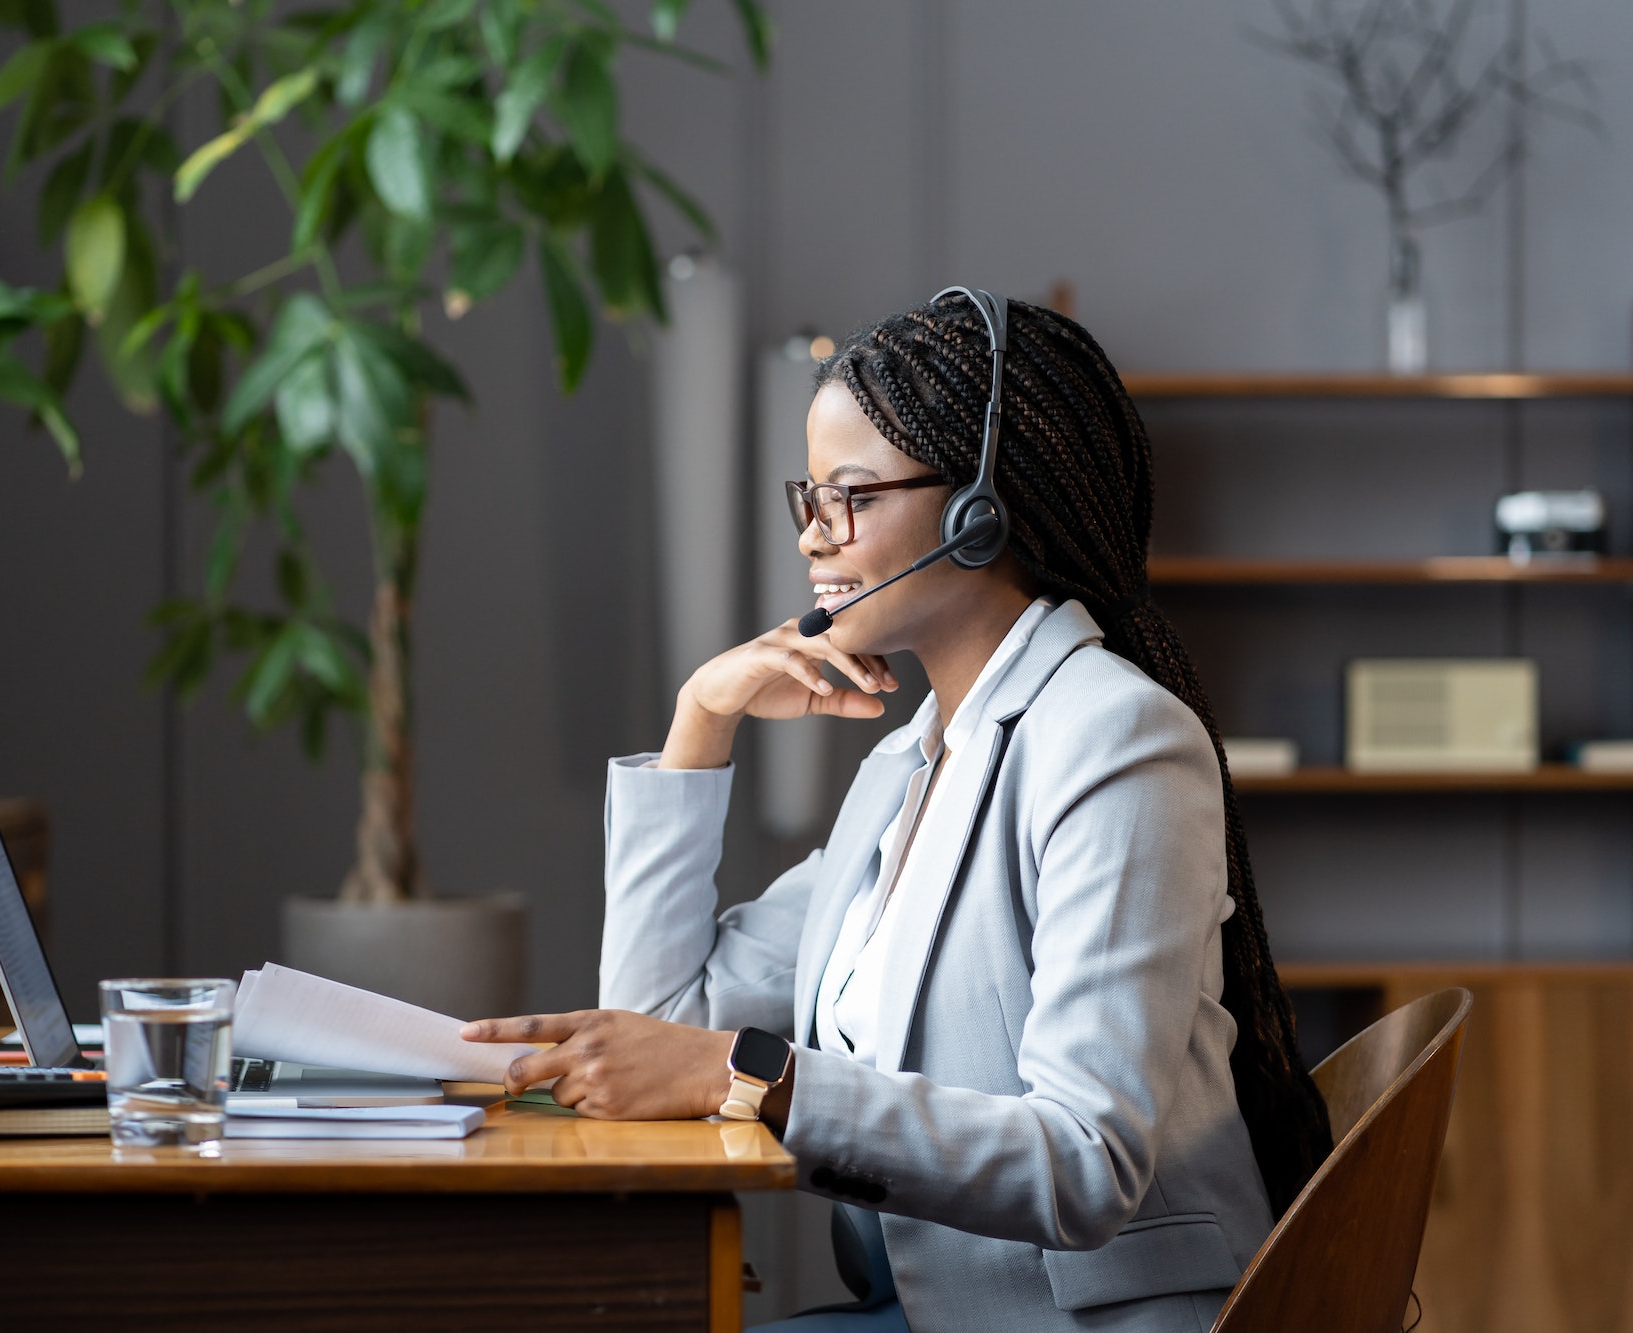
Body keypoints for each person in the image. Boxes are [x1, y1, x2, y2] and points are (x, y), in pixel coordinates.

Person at [463, 291, 1333, 1331]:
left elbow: (1084, 1164)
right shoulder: (907, 763)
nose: (811, 539)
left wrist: (760, 1078)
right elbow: (660, 1026)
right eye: (809, 497)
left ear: (980, 511)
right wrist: (702, 717)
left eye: (851, 497)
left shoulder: (1113, 739)